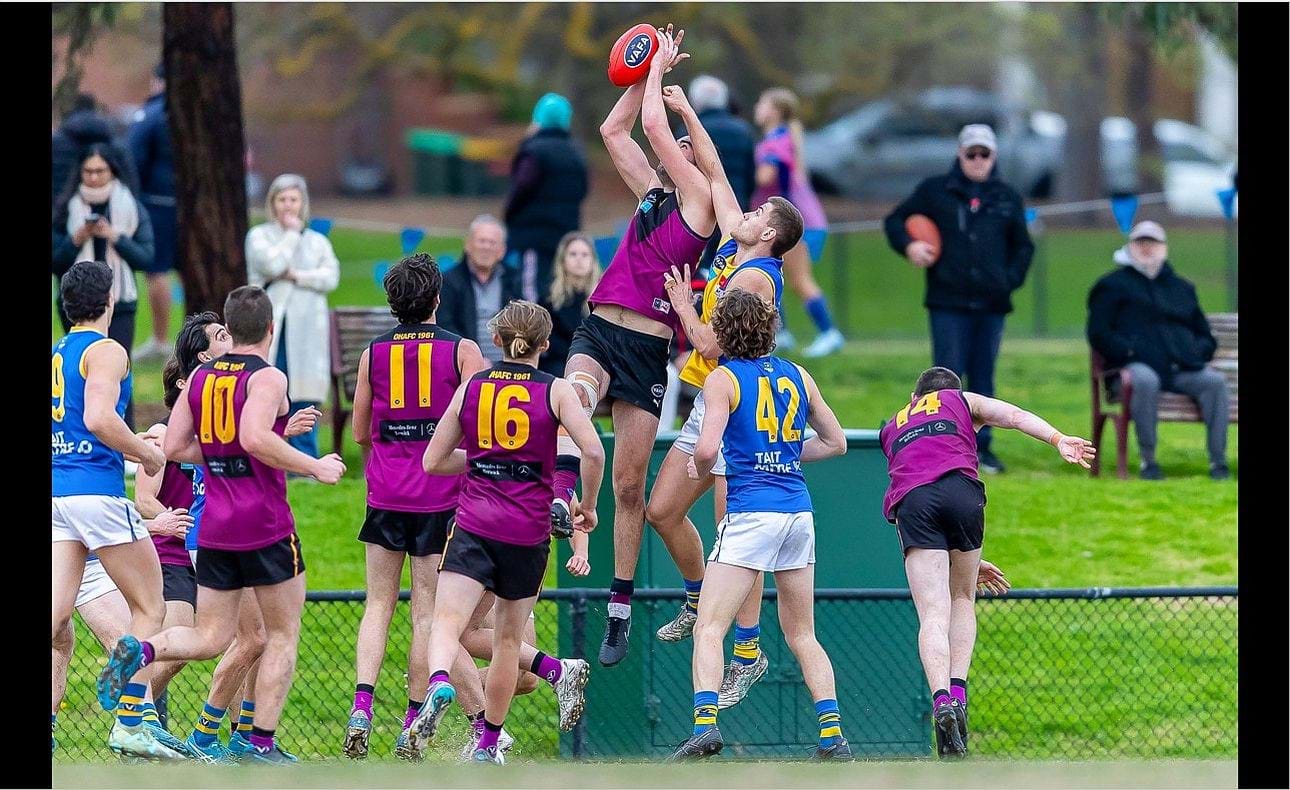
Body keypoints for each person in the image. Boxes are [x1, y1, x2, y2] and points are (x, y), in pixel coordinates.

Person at [96, 285, 347, 765]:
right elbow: (253, 437)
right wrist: (313, 466)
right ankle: (260, 743)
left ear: (231, 330)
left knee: (212, 637)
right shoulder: (269, 377)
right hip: (265, 524)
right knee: (281, 635)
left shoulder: (202, 379)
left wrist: (218, 455)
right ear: (271, 328)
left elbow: (172, 446)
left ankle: (143, 651)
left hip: (213, 529)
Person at [554, 25, 718, 667]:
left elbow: (653, 124)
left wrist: (658, 71)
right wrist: (635, 67)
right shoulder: (653, 193)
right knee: (573, 394)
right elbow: (614, 132)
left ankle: (618, 605)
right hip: (601, 328)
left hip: (647, 352)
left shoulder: (699, 201)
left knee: (630, 487)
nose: (674, 150)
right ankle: (563, 497)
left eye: (684, 148)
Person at [642, 83, 806, 708]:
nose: (748, 212)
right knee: (662, 511)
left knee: (735, 536)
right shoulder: (740, 244)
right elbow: (712, 167)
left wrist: (684, 308)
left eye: (759, 214)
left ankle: (747, 650)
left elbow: (720, 349)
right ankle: (696, 597)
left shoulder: (758, 278)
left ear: (769, 234)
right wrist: (686, 109)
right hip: (705, 396)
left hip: (735, 408)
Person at [409, 300, 604, 764]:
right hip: (527, 532)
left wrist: (479, 462)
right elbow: (592, 452)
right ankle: (488, 745)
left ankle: (438, 683)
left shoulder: (474, 387)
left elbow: (433, 460)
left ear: (496, 340)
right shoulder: (557, 391)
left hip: (475, 524)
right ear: (545, 342)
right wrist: (589, 507)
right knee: (507, 644)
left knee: (446, 624)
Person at [669, 289, 850, 761]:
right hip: (797, 512)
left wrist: (699, 467)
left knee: (708, 626)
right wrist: (785, 455)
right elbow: (835, 443)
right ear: (770, 328)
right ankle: (832, 736)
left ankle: (705, 726)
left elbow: (706, 450)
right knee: (802, 634)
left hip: (752, 514)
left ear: (724, 332)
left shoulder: (723, 379)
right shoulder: (798, 374)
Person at [878, 366, 1093, 757]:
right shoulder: (961, 400)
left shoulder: (893, 427)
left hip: (913, 504)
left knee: (932, 614)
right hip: (962, 491)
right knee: (962, 598)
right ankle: (959, 695)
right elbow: (1013, 416)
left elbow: (906, 491)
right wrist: (1058, 439)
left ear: (914, 398)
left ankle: (940, 698)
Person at [343, 253, 490, 760]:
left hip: (385, 494)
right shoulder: (463, 351)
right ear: (436, 299)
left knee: (377, 605)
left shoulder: (372, 354)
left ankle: (361, 706)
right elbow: (483, 425)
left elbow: (359, 430)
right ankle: (411, 719)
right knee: (426, 613)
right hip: (440, 498)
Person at [52, 260, 176, 759]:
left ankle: (127, 704)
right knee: (151, 607)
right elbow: (102, 418)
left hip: (59, 497)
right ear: (109, 302)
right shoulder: (107, 350)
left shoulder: (58, 352)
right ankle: (131, 720)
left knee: (57, 621)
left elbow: (79, 425)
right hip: (98, 495)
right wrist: (145, 453)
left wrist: (129, 444)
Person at [882, 124, 1035, 474]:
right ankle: (938, 444)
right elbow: (895, 221)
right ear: (960, 155)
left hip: (991, 303)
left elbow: (1023, 246)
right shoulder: (936, 191)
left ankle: (983, 449)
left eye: (985, 154)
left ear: (994, 156)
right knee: (945, 378)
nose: (978, 160)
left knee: (984, 377)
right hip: (948, 301)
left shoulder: (1006, 197)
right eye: (972, 153)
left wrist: (1007, 282)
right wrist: (910, 246)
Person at [1086, 221, 1230, 480]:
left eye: (1152, 243)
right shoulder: (1112, 286)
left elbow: (1204, 335)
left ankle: (1218, 464)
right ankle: (1148, 462)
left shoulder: (1181, 288)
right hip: (1132, 371)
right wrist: (1129, 353)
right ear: (1130, 246)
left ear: (1163, 248)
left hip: (1180, 369)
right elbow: (1099, 332)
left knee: (1214, 381)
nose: (1147, 248)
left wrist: (1195, 354)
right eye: (1141, 242)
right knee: (1144, 378)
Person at [53, 145, 155, 428]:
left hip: (119, 301)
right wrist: (76, 238)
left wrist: (115, 237)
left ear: (112, 171)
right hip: (74, 300)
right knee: (79, 366)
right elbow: (56, 260)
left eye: (100, 171)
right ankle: (78, 428)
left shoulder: (130, 206)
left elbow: (146, 257)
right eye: (88, 172)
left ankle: (125, 432)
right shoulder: (65, 207)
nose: (94, 177)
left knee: (118, 365)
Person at [246, 173, 340, 459]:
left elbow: (330, 276)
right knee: (275, 386)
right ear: (272, 202)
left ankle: (305, 457)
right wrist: (290, 235)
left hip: (308, 329)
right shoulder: (259, 236)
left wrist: (297, 275)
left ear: (303, 203)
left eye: (293, 199)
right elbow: (272, 264)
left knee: (305, 391)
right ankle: (273, 452)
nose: (288, 205)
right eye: (282, 199)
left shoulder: (317, 242)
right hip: (275, 325)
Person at [751, 88, 844, 358]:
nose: (757, 107)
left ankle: (829, 333)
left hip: (796, 221)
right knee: (775, 274)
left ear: (775, 112)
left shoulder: (777, 141)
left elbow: (766, 177)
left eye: (762, 103)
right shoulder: (777, 138)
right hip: (792, 219)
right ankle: (781, 333)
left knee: (799, 279)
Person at [503, 93, 589, 303]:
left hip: (533, 235)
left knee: (530, 292)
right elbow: (583, 190)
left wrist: (509, 215)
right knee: (560, 290)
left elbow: (522, 187)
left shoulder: (534, 150)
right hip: (565, 234)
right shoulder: (576, 153)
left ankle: (530, 333)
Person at [127, 63, 178, 362]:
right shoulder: (200, 112)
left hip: (158, 204)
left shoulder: (152, 114)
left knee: (157, 270)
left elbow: (132, 157)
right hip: (195, 208)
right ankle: (203, 335)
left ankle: (160, 340)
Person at [683, 75, 757, 270]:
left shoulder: (686, 130)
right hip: (736, 205)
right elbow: (751, 175)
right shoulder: (743, 130)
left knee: (699, 267)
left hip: (699, 210)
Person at [437, 215, 525, 364]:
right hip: (464, 363)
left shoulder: (515, 279)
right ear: (468, 245)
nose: (486, 247)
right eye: (481, 241)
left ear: (502, 250)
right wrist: (474, 359)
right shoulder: (448, 281)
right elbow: (445, 326)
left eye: (492, 242)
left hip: (510, 364)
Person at [539, 232, 603, 377]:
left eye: (585, 254)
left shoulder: (605, 298)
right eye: (573, 254)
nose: (579, 259)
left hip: (597, 367)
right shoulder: (548, 299)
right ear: (562, 260)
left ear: (593, 260)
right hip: (558, 369)